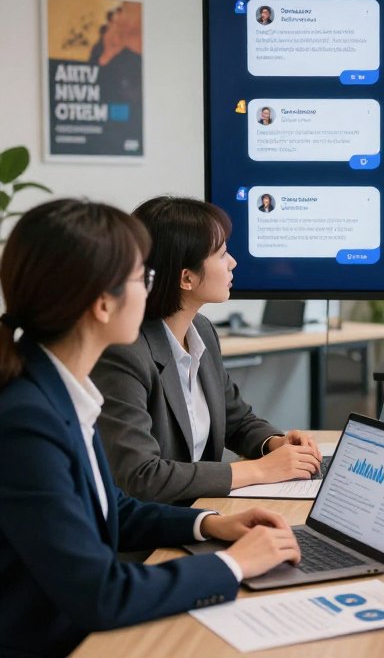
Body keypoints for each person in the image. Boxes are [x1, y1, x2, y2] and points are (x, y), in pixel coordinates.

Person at [0, 199, 301, 656]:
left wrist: (211, 524)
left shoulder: (58, 392)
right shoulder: (27, 421)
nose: (150, 291)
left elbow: (114, 509)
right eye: (143, 278)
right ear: (103, 304)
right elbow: (101, 592)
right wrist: (233, 566)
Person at [91, 197, 321, 505]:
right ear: (186, 277)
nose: (233, 262)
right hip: (153, 534)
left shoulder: (201, 331)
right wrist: (259, 471)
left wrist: (274, 443)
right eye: (223, 253)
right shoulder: (124, 353)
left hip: (203, 511)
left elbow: (236, 419)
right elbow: (141, 477)